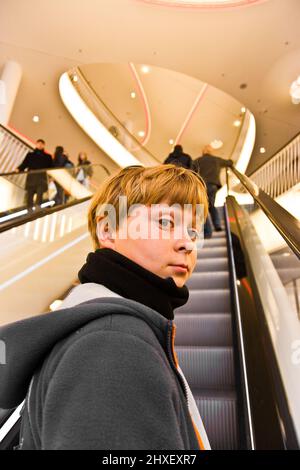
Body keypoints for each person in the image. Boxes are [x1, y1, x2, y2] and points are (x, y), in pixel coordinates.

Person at [0, 164, 211, 450]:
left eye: (194, 232)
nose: (187, 243)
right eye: (165, 222)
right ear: (108, 229)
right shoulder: (114, 343)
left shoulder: (100, 327)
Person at [193, 145, 233, 238]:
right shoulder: (216, 159)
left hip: (201, 186)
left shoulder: (197, 160)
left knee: (202, 207)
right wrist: (231, 161)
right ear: (211, 152)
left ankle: (207, 231)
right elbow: (228, 163)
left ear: (203, 152)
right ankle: (217, 225)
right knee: (211, 205)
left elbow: (192, 172)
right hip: (213, 186)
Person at [16, 139, 53, 210]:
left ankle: (37, 210)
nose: (40, 145)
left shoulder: (48, 157)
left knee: (40, 195)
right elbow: (24, 164)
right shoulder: (30, 155)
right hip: (31, 177)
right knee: (30, 194)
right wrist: (18, 169)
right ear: (36, 144)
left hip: (42, 178)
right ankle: (29, 210)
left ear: (44, 145)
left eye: (42, 144)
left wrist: (51, 177)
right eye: (38, 143)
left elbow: (50, 168)